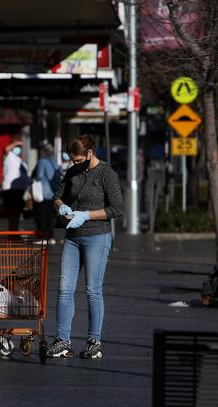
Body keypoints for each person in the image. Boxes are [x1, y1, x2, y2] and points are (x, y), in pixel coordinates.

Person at [46, 135, 123, 360]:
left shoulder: (106, 173)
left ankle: (94, 342)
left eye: (79, 160)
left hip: (96, 237)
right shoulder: (72, 172)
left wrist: (86, 215)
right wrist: (61, 207)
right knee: (64, 288)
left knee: (92, 290)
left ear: (90, 153)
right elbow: (57, 197)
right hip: (72, 237)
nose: (75, 164)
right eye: (73, 160)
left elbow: (116, 208)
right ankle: (62, 340)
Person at [32, 143, 61, 243]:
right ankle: (51, 237)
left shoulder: (42, 162)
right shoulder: (55, 163)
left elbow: (39, 176)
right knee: (50, 216)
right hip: (53, 193)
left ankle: (42, 237)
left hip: (43, 193)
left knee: (41, 215)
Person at [2, 140, 31, 231]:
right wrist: (16, 143)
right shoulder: (9, 156)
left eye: (20, 148)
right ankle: (13, 233)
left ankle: (14, 232)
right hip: (10, 188)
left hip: (19, 189)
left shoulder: (20, 161)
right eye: (17, 148)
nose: (19, 149)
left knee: (17, 212)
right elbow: (6, 149)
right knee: (12, 212)